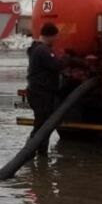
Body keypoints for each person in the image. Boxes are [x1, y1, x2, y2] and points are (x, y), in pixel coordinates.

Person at [26, 22, 66, 157]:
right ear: (50, 36)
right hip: (41, 94)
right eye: (55, 37)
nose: (56, 40)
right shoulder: (42, 50)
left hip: (38, 92)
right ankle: (29, 154)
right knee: (41, 126)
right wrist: (66, 60)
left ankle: (40, 155)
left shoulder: (37, 48)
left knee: (43, 125)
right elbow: (55, 66)